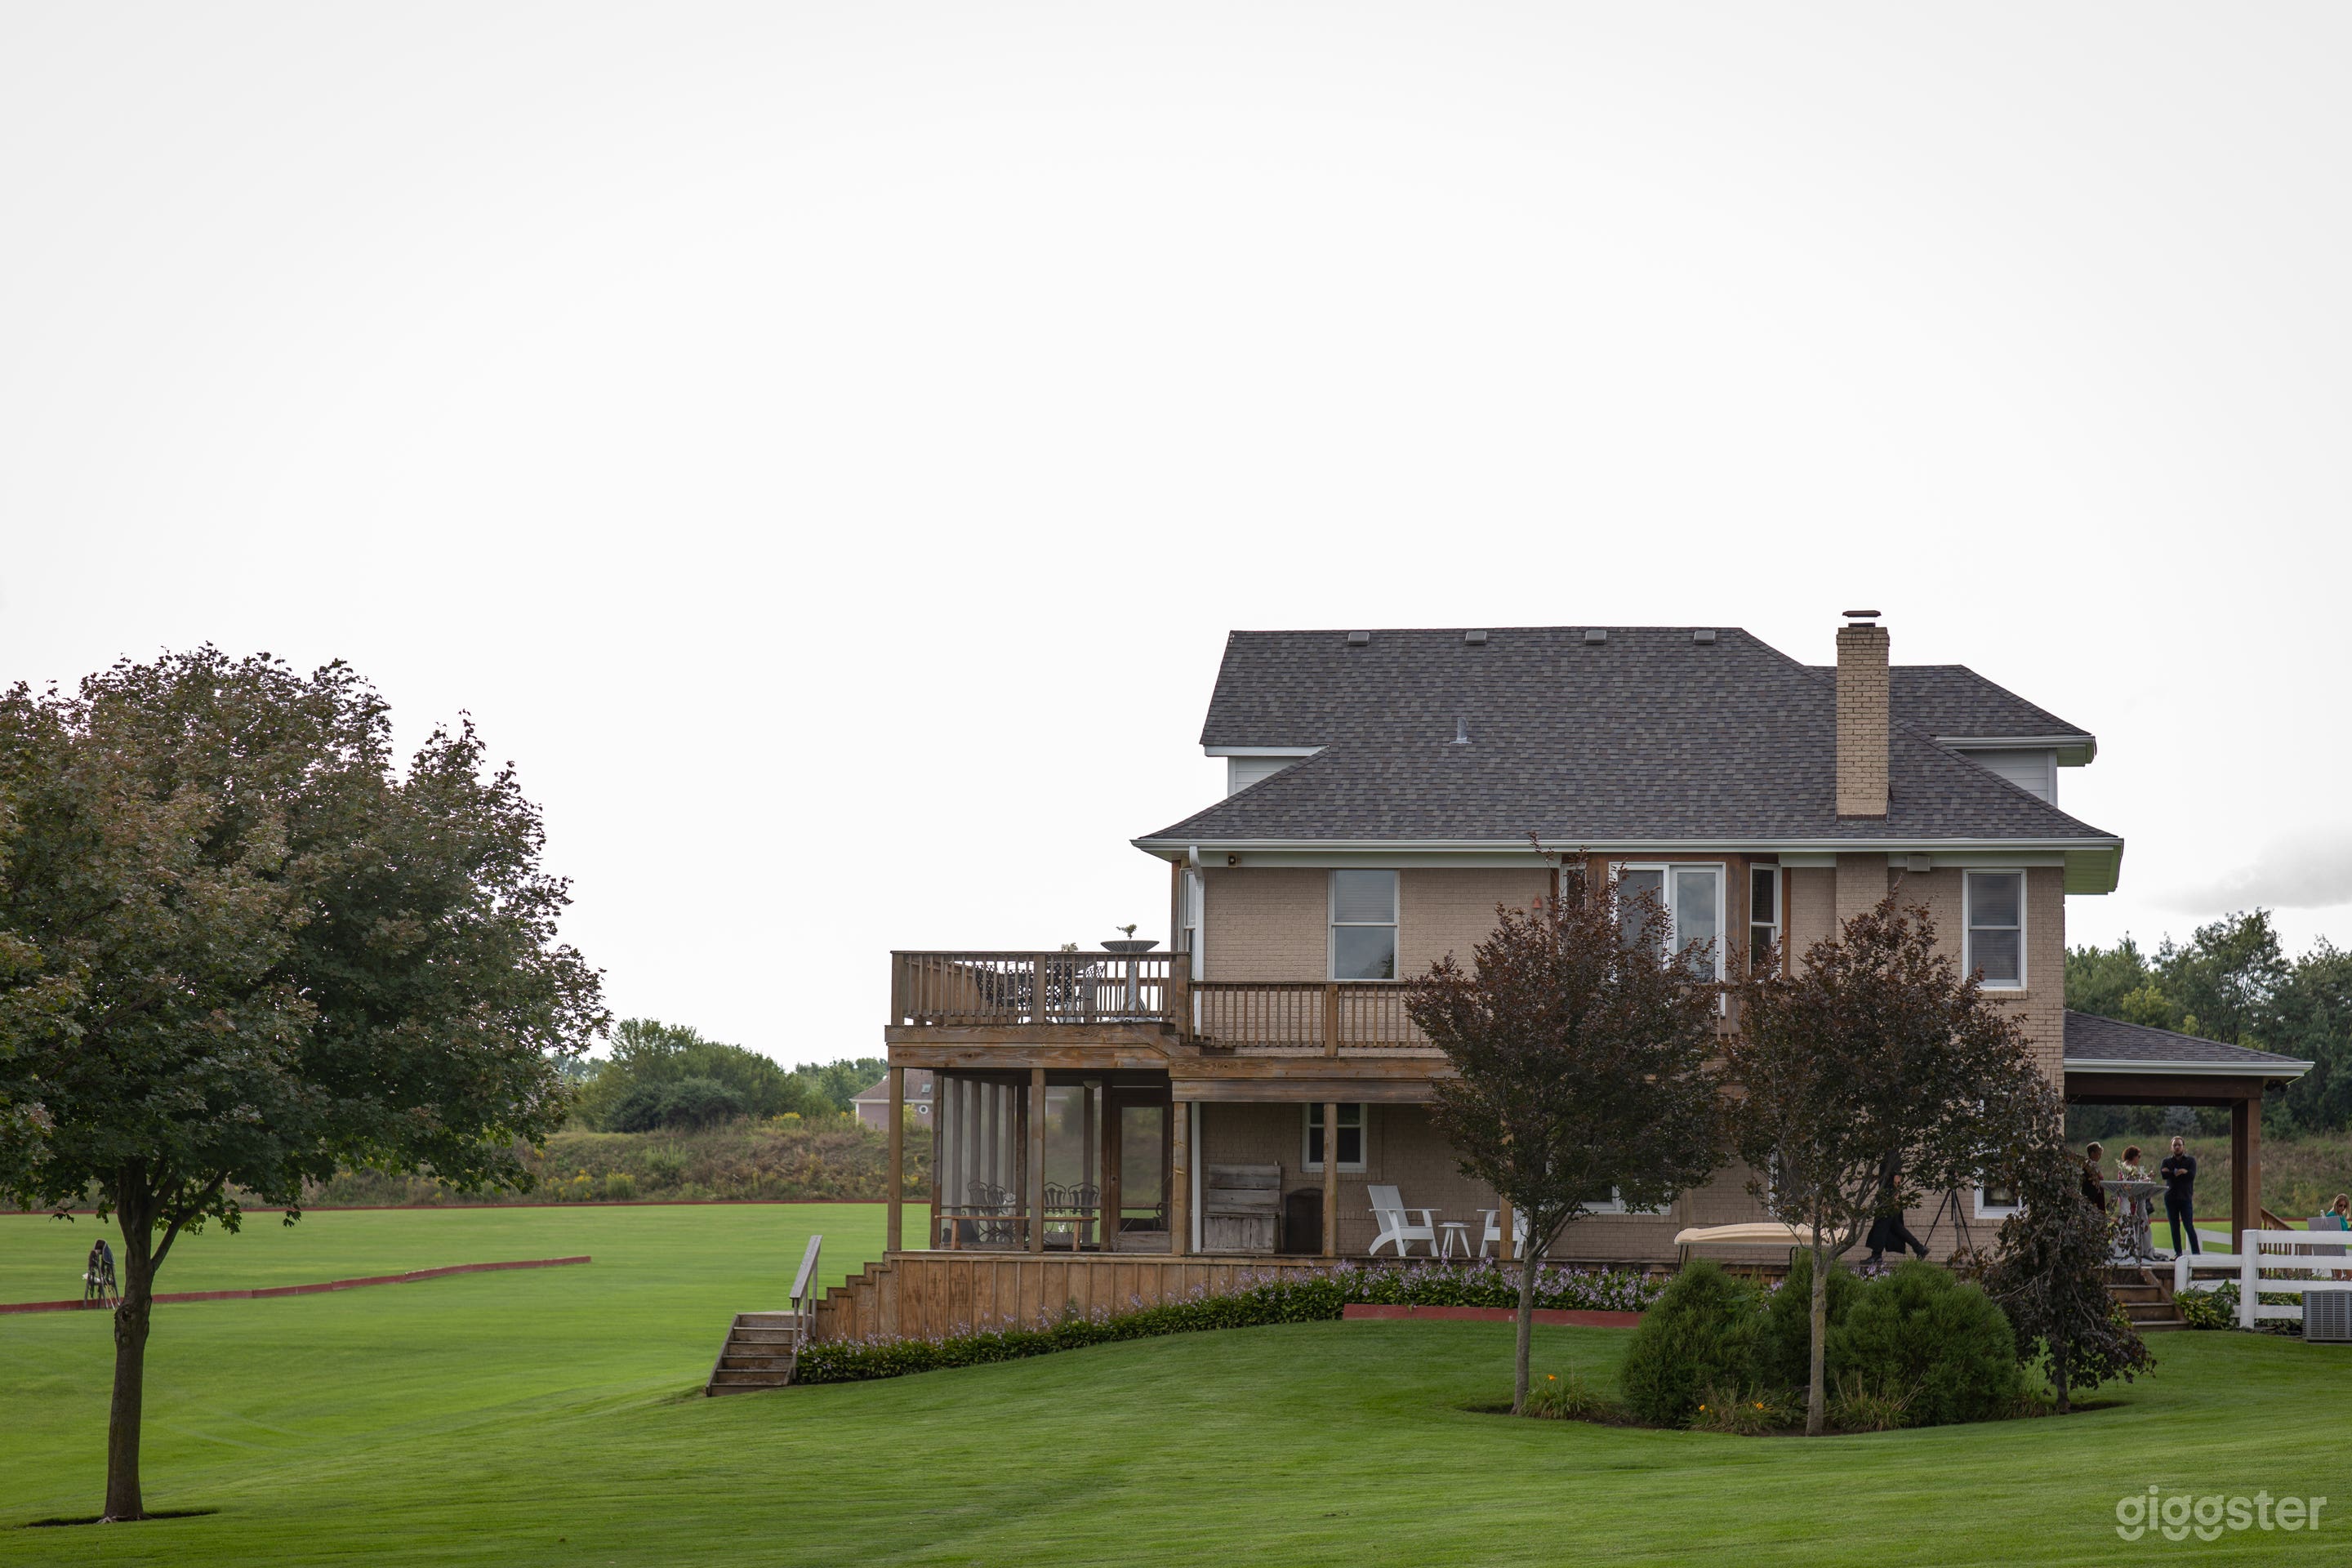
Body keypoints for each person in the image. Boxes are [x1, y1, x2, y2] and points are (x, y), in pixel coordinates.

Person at [2158, 1136, 2199, 1256]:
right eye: (2175, 1145)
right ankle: (2178, 1253)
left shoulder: (2190, 1161)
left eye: (2179, 1145)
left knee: (2188, 1226)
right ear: (2171, 1147)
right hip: (2171, 1198)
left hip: (2185, 1198)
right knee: (2174, 1227)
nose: (2177, 1147)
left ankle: (2196, 1253)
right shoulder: (2166, 1161)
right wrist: (2180, 1172)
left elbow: (2191, 1176)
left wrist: (2172, 1172)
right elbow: (2164, 1175)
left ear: (2183, 1147)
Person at [2081, 1143, 2109, 1210]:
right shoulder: (2088, 1166)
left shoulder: (2094, 1165)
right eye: (2099, 1154)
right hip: (2093, 1196)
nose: (2100, 1156)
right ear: (2092, 1154)